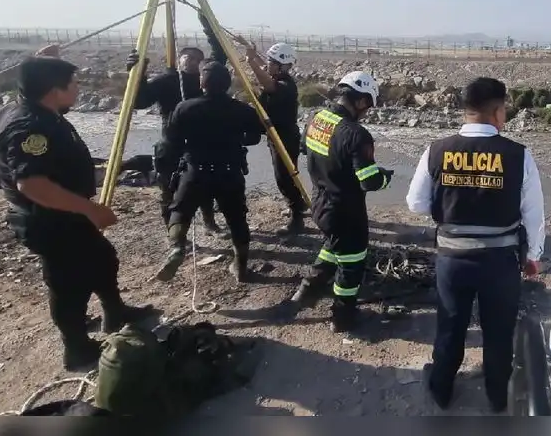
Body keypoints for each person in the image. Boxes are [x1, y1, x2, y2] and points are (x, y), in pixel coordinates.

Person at [0, 57, 155, 371]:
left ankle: (115, 312)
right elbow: (32, 183)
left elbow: (33, 71)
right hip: (51, 218)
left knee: (103, 258)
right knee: (68, 285)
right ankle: (77, 348)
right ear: (54, 90)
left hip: (66, 214)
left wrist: (48, 55)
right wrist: (90, 209)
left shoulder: (29, 105)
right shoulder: (29, 126)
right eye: (74, 84)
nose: (79, 89)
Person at [405, 76, 546, 413]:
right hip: (500, 261)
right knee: (499, 332)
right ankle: (498, 397)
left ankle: (441, 389)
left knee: (450, 324)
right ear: (497, 112)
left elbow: (415, 202)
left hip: (452, 258)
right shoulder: (518, 155)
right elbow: (534, 214)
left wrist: (450, 211)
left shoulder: (437, 149)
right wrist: (534, 256)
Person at [286, 71, 393, 332]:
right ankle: (342, 317)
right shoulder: (357, 134)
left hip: (320, 203)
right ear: (360, 101)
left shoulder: (317, 118)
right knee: (352, 265)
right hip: (346, 212)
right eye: (368, 105)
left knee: (333, 245)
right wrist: (385, 178)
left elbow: (304, 148)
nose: (367, 111)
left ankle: (307, 290)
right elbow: (369, 181)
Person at [154, 61, 267, 283]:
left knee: (180, 211)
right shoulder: (243, 110)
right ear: (227, 84)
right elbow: (255, 136)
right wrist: (236, 140)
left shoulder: (184, 108)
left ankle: (177, 248)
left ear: (202, 83)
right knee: (236, 219)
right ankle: (240, 267)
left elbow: (172, 142)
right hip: (229, 172)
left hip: (195, 171)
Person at [127, 12, 227, 235]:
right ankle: (173, 232)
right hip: (172, 143)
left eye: (197, 58)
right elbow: (140, 102)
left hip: (202, 144)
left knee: (206, 187)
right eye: (187, 57)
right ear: (179, 59)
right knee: (168, 189)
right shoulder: (166, 80)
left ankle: (210, 222)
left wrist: (208, 23)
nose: (191, 60)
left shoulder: (208, 80)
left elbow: (220, 51)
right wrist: (138, 73)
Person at [240, 37, 309, 236]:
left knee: (285, 178)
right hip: (275, 135)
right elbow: (267, 69)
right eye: (268, 62)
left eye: (271, 62)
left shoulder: (286, 85)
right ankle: (298, 206)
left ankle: (297, 217)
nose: (267, 65)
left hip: (285, 137)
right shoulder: (279, 76)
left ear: (282, 66)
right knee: (285, 176)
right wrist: (253, 54)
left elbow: (269, 86)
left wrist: (251, 61)